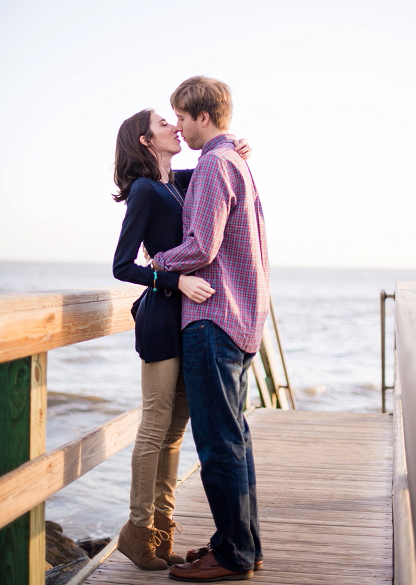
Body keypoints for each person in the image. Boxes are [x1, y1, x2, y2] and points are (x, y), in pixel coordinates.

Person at [112, 110, 250, 570]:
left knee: (175, 433)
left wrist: (236, 148)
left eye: (177, 120)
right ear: (145, 140)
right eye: (163, 124)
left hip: (192, 321)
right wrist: (174, 281)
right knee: (155, 427)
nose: (175, 127)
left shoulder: (179, 181)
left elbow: (216, 164)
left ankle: (162, 528)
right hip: (161, 320)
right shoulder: (146, 191)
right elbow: (122, 266)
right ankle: (137, 529)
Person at [152, 76, 269, 582]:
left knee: (218, 443)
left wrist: (156, 262)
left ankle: (234, 556)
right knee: (234, 439)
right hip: (242, 318)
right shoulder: (233, 160)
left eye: (180, 117)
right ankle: (240, 544)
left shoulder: (215, 166)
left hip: (213, 320)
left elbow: (201, 246)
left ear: (203, 116)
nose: (177, 126)